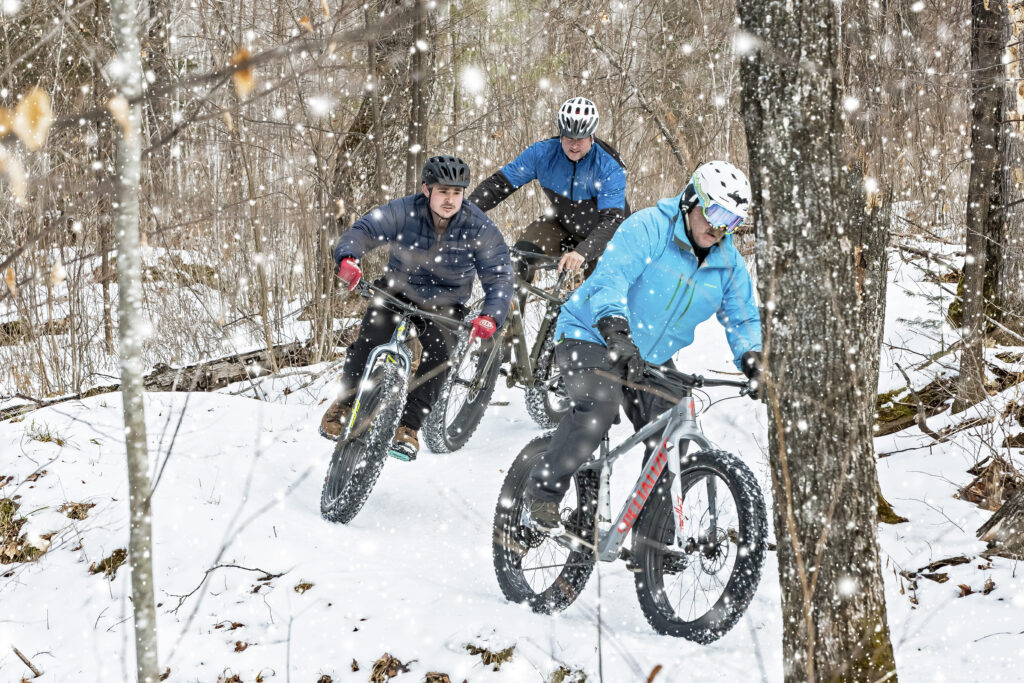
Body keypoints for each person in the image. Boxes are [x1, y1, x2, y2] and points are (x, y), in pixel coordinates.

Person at [522, 160, 763, 532]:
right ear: (691, 200)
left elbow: (742, 317)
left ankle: (653, 538)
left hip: (649, 357)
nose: (719, 229)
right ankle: (542, 493)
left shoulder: (728, 262)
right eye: (714, 212)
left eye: (731, 222)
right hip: (591, 332)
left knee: (674, 434)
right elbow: (611, 279)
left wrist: (752, 359)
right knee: (598, 406)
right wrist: (616, 331)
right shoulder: (649, 227)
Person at [319, 156, 514, 461]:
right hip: (399, 288)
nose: (450, 200)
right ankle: (345, 404)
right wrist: (349, 258)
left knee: (441, 357)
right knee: (370, 339)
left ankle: (408, 427)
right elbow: (366, 230)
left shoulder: (478, 226)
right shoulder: (404, 210)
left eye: (457, 193)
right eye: (443, 192)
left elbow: (499, 273)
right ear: (426, 189)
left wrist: (491, 315)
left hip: (446, 302)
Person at [468, 97, 628, 280]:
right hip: (562, 222)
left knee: (595, 293)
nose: (574, 145)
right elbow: (499, 185)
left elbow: (612, 221)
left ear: (592, 135)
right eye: (569, 137)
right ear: (561, 134)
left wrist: (583, 251)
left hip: (605, 235)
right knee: (520, 258)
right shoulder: (542, 154)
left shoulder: (609, 166)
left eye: (580, 138)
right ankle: (513, 307)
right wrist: (467, 211)